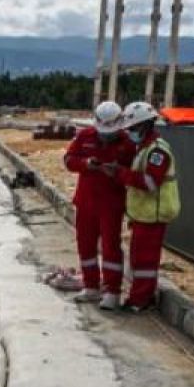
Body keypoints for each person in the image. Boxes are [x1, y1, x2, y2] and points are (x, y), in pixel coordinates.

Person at [102, 101, 181, 312]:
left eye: (133, 128)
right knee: (138, 257)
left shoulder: (157, 152)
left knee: (145, 260)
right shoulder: (144, 148)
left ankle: (141, 300)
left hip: (154, 214)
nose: (130, 133)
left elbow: (150, 183)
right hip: (144, 214)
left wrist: (119, 173)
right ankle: (139, 296)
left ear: (146, 125)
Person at [62, 100, 135, 310]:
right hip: (86, 201)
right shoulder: (85, 137)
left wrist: (118, 172)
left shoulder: (128, 144)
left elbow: (133, 173)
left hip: (111, 204)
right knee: (85, 245)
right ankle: (91, 286)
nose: (106, 136)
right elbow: (68, 160)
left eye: (110, 132)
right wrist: (86, 164)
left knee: (110, 247)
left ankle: (112, 291)